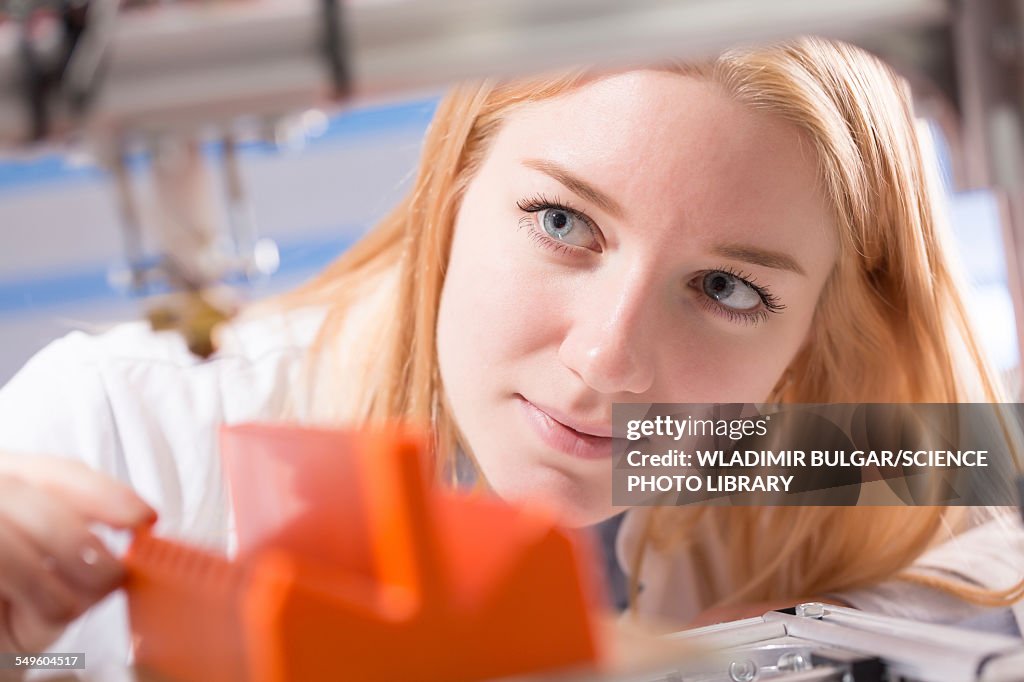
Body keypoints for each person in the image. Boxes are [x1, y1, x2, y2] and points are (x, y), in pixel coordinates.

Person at [0, 35, 1022, 671]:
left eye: (726, 288)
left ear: (811, 337)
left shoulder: (780, 442)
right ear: (454, 192)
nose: (606, 361)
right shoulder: (119, 429)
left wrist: (854, 606)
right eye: (562, 223)